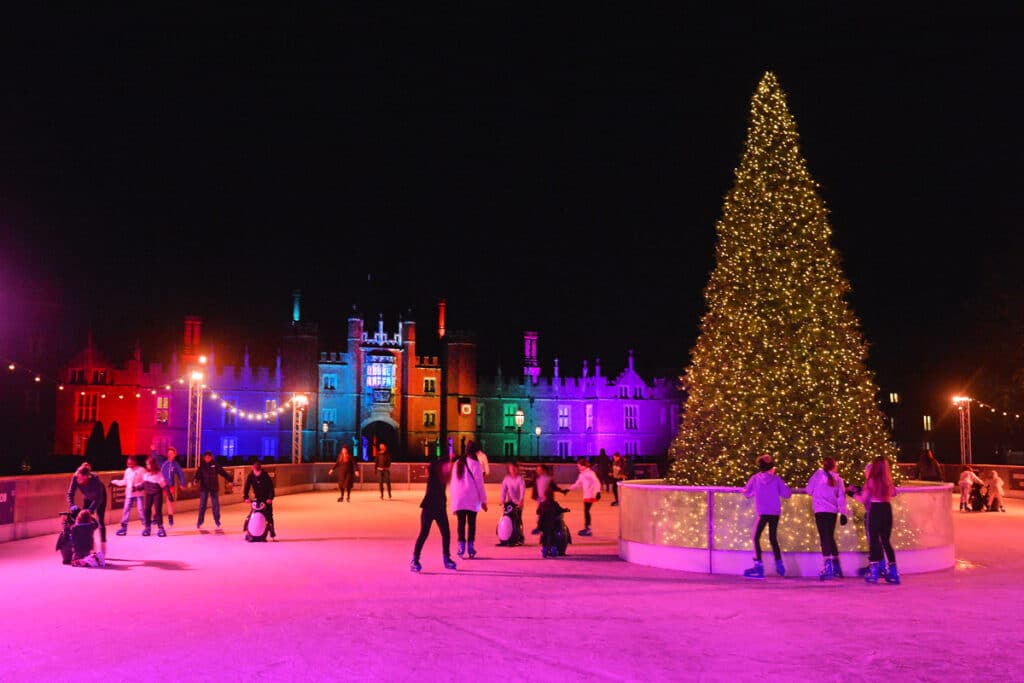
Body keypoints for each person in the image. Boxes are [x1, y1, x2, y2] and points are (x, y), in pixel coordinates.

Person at [742, 454, 792, 578]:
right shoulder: (776, 479)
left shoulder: (755, 479)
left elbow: (747, 493)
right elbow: (787, 494)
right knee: (773, 538)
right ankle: (779, 564)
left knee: (755, 537)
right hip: (775, 512)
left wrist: (752, 491)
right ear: (771, 467)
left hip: (763, 512)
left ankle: (759, 566)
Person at [410, 453, 458, 572]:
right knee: (424, 534)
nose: (449, 468)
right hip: (429, 507)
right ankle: (415, 559)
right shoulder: (434, 474)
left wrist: (451, 461)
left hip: (440, 508)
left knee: (446, 533)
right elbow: (438, 470)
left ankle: (446, 558)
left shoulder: (443, 475)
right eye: (446, 466)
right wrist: (449, 461)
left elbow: (448, 475)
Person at [856, 456, 899, 584]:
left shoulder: (871, 480)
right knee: (886, 541)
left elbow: (863, 499)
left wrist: (854, 494)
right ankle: (894, 572)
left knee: (874, 540)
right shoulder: (888, 481)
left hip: (875, 509)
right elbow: (894, 493)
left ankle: (874, 572)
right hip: (886, 509)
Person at [806, 456, 848, 580]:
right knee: (830, 536)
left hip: (820, 510)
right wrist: (843, 513)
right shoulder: (839, 480)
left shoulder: (818, 475)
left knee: (824, 537)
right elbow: (841, 497)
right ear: (834, 466)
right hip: (832, 511)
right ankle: (837, 567)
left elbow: (809, 490)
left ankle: (828, 566)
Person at [449, 441, 488, 558]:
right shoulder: (476, 465)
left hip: (460, 499)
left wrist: (454, 503)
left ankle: (461, 547)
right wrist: (483, 501)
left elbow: (453, 484)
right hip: (472, 499)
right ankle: (470, 547)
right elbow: (480, 485)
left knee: (461, 524)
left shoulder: (457, 463)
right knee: (471, 524)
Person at [65, 463, 108, 555]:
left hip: (99, 498)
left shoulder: (95, 480)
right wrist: (71, 505)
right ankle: (90, 546)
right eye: (78, 478)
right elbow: (70, 493)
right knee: (84, 523)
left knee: (100, 521)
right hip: (87, 497)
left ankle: (103, 545)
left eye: (80, 479)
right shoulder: (76, 476)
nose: (78, 480)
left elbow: (99, 498)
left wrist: (91, 510)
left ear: (86, 478)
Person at [194, 451, 232, 530]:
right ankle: (200, 521)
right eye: (206, 457)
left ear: (211, 457)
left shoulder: (215, 465)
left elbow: (222, 472)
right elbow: (198, 475)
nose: (207, 458)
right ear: (204, 458)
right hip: (204, 488)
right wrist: (196, 480)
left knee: (215, 505)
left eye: (209, 457)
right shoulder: (202, 466)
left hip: (213, 487)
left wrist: (230, 479)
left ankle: (217, 520)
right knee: (202, 506)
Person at [565, 457, 601, 537]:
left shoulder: (590, 473)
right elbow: (577, 484)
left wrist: (598, 492)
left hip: (591, 495)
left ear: (584, 466)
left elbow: (597, 482)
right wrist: (568, 489)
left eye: (579, 466)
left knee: (586, 511)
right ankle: (587, 528)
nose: (578, 468)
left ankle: (588, 529)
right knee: (586, 511)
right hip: (587, 495)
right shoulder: (582, 474)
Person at [112, 456, 146, 536]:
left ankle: (146, 526)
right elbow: (125, 481)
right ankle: (124, 528)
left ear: (135, 462)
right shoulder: (127, 471)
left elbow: (145, 481)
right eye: (128, 463)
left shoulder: (141, 470)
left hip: (138, 494)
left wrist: (137, 487)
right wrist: (114, 482)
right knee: (126, 510)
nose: (129, 465)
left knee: (141, 510)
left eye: (130, 463)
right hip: (129, 494)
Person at [537, 479, 571, 558]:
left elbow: (538, 512)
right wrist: (566, 510)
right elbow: (559, 510)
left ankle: (545, 551)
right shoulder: (554, 504)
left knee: (544, 538)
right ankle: (554, 550)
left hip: (544, 525)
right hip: (553, 525)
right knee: (553, 538)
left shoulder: (542, 504)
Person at [243, 460, 276, 539]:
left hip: (266, 498)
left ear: (260, 470)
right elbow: (246, 486)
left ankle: (272, 532)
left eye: (258, 472)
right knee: (252, 514)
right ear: (252, 469)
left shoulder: (265, 475)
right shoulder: (251, 475)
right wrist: (246, 497)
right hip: (257, 498)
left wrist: (270, 498)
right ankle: (249, 532)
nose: (256, 474)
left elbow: (271, 488)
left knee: (268, 516)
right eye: (255, 472)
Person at [531, 464, 566, 535]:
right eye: (537, 470)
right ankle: (539, 528)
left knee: (547, 514)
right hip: (540, 500)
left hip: (548, 500)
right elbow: (534, 487)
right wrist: (535, 496)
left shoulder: (548, 479)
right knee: (539, 514)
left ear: (544, 470)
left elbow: (554, 487)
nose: (538, 471)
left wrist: (562, 491)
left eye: (540, 470)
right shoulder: (536, 479)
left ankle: (547, 528)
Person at [141, 456, 170, 537]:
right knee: (147, 510)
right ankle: (147, 527)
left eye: (148, 464)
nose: (147, 466)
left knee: (158, 511)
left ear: (153, 465)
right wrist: (135, 488)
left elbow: (164, 485)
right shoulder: (145, 475)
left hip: (157, 494)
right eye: (146, 464)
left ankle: (161, 528)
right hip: (148, 494)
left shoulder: (159, 474)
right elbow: (143, 485)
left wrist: (169, 494)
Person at [499, 461, 526, 546]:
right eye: (511, 468)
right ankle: (506, 535)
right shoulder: (506, 479)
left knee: (517, 520)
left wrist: (521, 500)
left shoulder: (520, 479)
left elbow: (522, 490)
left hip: (518, 504)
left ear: (517, 469)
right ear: (509, 469)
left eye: (514, 468)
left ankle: (520, 537)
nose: (513, 470)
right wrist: (502, 500)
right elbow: (503, 490)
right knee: (507, 519)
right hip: (509, 504)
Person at [160, 446, 187, 526]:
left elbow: (180, 474)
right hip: (161, 485)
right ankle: (156, 517)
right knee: (157, 502)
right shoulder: (163, 463)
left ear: (175, 455)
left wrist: (182, 483)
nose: (170, 455)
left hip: (170, 486)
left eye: (172, 453)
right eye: (169, 453)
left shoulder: (176, 464)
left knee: (169, 502)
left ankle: (170, 517)